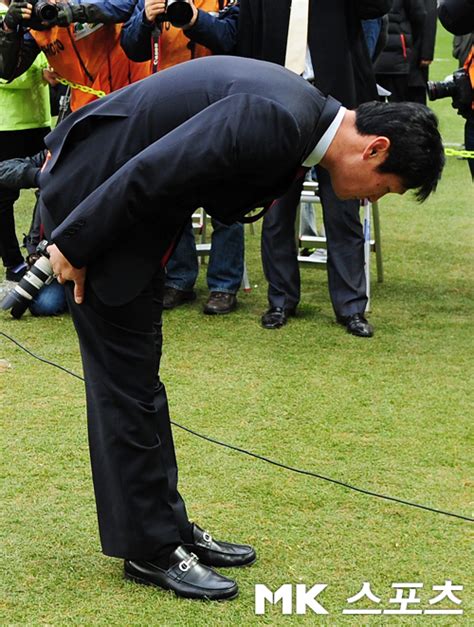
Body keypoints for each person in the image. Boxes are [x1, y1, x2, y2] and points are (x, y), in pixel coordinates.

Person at [39, 56, 443, 601]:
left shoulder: (300, 115)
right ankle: (150, 550)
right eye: (384, 189)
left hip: (121, 215)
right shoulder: (278, 118)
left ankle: (169, 531)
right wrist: (72, 241)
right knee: (124, 391)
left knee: (140, 388)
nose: (372, 200)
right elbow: (151, 171)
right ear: (376, 149)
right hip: (95, 204)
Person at [231, 0, 392, 335]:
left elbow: (376, 7)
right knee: (276, 210)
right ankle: (280, 299)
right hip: (278, 102)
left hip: (337, 101)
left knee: (342, 210)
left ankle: (350, 307)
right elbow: (248, 36)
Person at [121, 0, 244, 315]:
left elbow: (231, 37)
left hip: (218, 100)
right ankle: (179, 278)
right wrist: (145, 20)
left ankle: (223, 284)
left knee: (226, 196)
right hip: (168, 103)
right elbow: (132, 48)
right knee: (169, 194)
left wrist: (193, 17)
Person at [0, 0, 50, 282]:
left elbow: (46, 48)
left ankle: (36, 250)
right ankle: (13, 262)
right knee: (4, 198)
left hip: (40, 118)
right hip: (5, 123)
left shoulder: (37, 10)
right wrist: (39, 71)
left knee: (48, 186)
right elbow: (4, 72)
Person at [374, 0, 427, 103]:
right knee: (399, 106)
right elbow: (419, 14)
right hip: (398, 57)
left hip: (373, 56)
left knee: (371, 107)